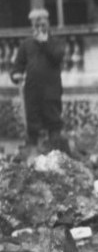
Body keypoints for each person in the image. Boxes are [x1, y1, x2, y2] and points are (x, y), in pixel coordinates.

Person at [9, 8, 66, 150]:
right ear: (32, 27)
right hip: (32, 91)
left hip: (51, 91)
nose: (39, 29)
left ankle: (55, 154)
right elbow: (18, 65)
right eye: (36, 26)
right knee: (32, 124)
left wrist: (45, 43)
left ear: (48, 24)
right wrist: (16, 74)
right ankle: (32, 155)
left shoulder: (56, 42)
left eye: (42, 25)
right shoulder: (27, 44)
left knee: (53, 123)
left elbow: (57, 57)